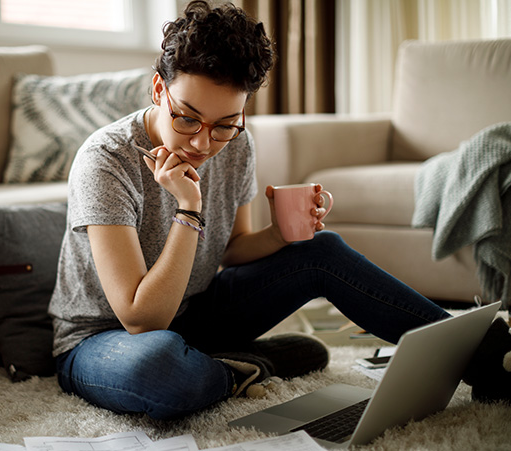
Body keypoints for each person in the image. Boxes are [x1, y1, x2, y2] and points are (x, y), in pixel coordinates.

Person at [49, 0, 511, 420]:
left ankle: (489, 354)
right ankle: (248, 365)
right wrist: (188, 210)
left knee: (322, 250)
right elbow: (140, 318)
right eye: (186, 117)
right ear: (158, 89)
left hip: (196, 312)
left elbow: (231, 251)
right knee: (162, 372)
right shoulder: (106, 159)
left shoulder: (236, 146)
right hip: (103, 339)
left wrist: (282, 236)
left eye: (225, 124)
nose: (201, 142)